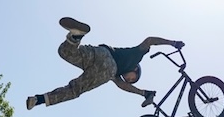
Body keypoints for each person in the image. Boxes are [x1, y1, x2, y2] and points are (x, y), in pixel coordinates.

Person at [27, 17, 184, 110]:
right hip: (108, 66)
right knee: (75, 90)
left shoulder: (117, 76)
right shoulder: (135, 57)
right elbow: (150, 41)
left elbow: (123, 86)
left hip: (99, 52)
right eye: (132, 78)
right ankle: (40, 100)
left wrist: (143, 93)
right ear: (135, 69)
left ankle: (76, 35)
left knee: (66, 52)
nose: (128, 80)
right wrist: (173, 43)